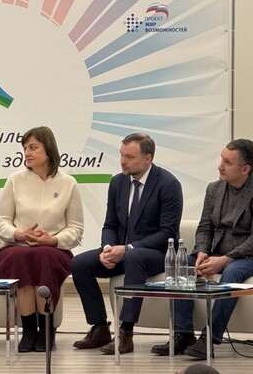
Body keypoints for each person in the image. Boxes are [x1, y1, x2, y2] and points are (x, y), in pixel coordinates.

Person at [151, 138, 253, 360]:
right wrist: (202, 251)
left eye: (227, 162)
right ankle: (183, 334)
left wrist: (225, 259)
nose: (220, 166)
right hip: (217, 253)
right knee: (183, 265)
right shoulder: (214, 189)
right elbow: (205, 227)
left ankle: (209, 338)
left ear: (245, 169)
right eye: (222, 159)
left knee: (232, 271)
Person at [70, 132, 183, 355]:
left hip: (156, 254)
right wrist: (107, 248)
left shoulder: (168, 184)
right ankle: (100, 328)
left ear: (148, 158)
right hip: (122, 251)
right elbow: (110, 224)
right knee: (79, 264)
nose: (122, 161)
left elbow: (167, 233)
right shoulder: (118, 182)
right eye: (121, 155)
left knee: (133, 257)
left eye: (129, 157)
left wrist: (128, 248)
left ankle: (126, 333)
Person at [0, 126, 84, 352]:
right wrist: (19, 234)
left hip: (53, 249)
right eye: (25, 148)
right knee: (21, 256)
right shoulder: (15, 180)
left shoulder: (68, 183)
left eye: (33, 147)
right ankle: (28, 331)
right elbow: (1, 222)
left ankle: (46, 329)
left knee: (43, 255)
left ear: (48, 149)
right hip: (17, 246)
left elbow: (75, 229)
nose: (27, 153)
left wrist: (52, 240)